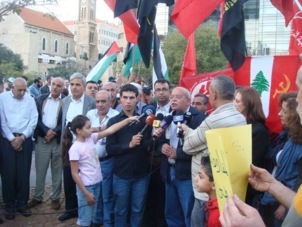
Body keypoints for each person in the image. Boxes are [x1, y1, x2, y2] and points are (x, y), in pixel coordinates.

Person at [181, 75, 247, 227]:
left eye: (209, 92)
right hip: (227, 187)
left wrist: (188, 131)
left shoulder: (214, 120)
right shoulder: (240, 117)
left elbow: (188, 147)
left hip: (207, 193)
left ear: (214, 94)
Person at [63, 114, 139, 227]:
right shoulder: (75, 148)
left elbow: (110, 130)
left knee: (92, 216)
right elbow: (74, 173)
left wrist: (127, 120)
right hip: (87, 187)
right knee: (85, 219)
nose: (91, 130)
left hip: (96, 183)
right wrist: (86, 193)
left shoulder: (90, 138)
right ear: (78, 130)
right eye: (88, 128)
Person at [155, 87, 206, 226]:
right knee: (171, 213)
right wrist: (162, 147)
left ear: (189, 101)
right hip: (168, 171)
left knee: (188, 213)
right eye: (172, 97)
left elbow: (200, 146)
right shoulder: (167, 117)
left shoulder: (199, 118)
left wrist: (178, 154)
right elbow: (160, 139)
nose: (173, 99)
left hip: (187, 174)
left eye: (178, 97)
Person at [106, 84, 153, 226]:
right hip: (121, 175)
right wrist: (129, 145)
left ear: (138, 99)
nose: (128, 101)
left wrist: (154, 138)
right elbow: (110, 149)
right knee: (120, 210)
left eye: (131, 98)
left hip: (141, 174)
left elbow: (148, 147)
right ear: (120, 99)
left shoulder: (144, 121)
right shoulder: (114, 121)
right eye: (125, 97)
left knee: (137, 209)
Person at [260, 92, 302, 226]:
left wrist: (285, 206)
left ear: (295, 115)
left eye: (284, 111)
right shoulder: (289, 137)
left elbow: (297, 179)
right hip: (273, 196)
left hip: (283, 202)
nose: (279, 114)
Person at [59, 72, 96, 222]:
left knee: (84, 178)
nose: (74, 88)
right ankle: (70, 209)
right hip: (69, 146)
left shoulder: (91, 102)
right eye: (72, 84)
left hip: (84, 146)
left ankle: (87, 210)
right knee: (68, 177)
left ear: (83, 86)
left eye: (78, 85)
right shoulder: (65, 101)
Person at [0, 78, 38, 220]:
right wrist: (12, 138)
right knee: (8, 174)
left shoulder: (30, 100)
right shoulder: (2, 99)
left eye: (24, 90)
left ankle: (22, 204)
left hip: (25, 139)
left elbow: (33, 119)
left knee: (23, 173)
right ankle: (9, 205)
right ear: (12, 87)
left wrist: (22, 137)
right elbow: (2, 121)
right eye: (19, 90)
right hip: (7, 140)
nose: (22, 93)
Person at [28, 77, 65, 210]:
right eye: (53, 84)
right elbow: (35, 118)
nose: (55, 87)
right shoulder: (40, 99)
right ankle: (37, 197)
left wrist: (54, 132)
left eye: (59, 85)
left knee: (57, 171)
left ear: (63, 88)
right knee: (40, 170)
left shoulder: (66, 101)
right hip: (42, 140)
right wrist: (46, 132)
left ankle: (55, 198)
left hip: (58, 140)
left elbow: (65, 121)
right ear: (50, 84)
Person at [86, 90, 119, 227]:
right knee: (95, 193)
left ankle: (107, 222)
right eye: (98, 101)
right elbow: (84, 132)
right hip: (92, 162)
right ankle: (96, 219)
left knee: (107, 195)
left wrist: (95, 129)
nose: (100, 104)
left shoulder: (116, 116)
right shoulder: (90, 114)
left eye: (103, 101)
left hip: (107, 161)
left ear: (111, 102)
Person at [234, 87, 270, 206]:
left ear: (248, 104)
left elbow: (251, 162)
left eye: (237, 101)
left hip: (249, 190)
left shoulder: (258, 130)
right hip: (236, 185)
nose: (233, 104)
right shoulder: (239, 125)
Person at [195, 156, 221, 227]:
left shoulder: (217, 216)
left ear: (214, 185)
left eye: (201, 177)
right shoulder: (212, 204)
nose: (195, 178)